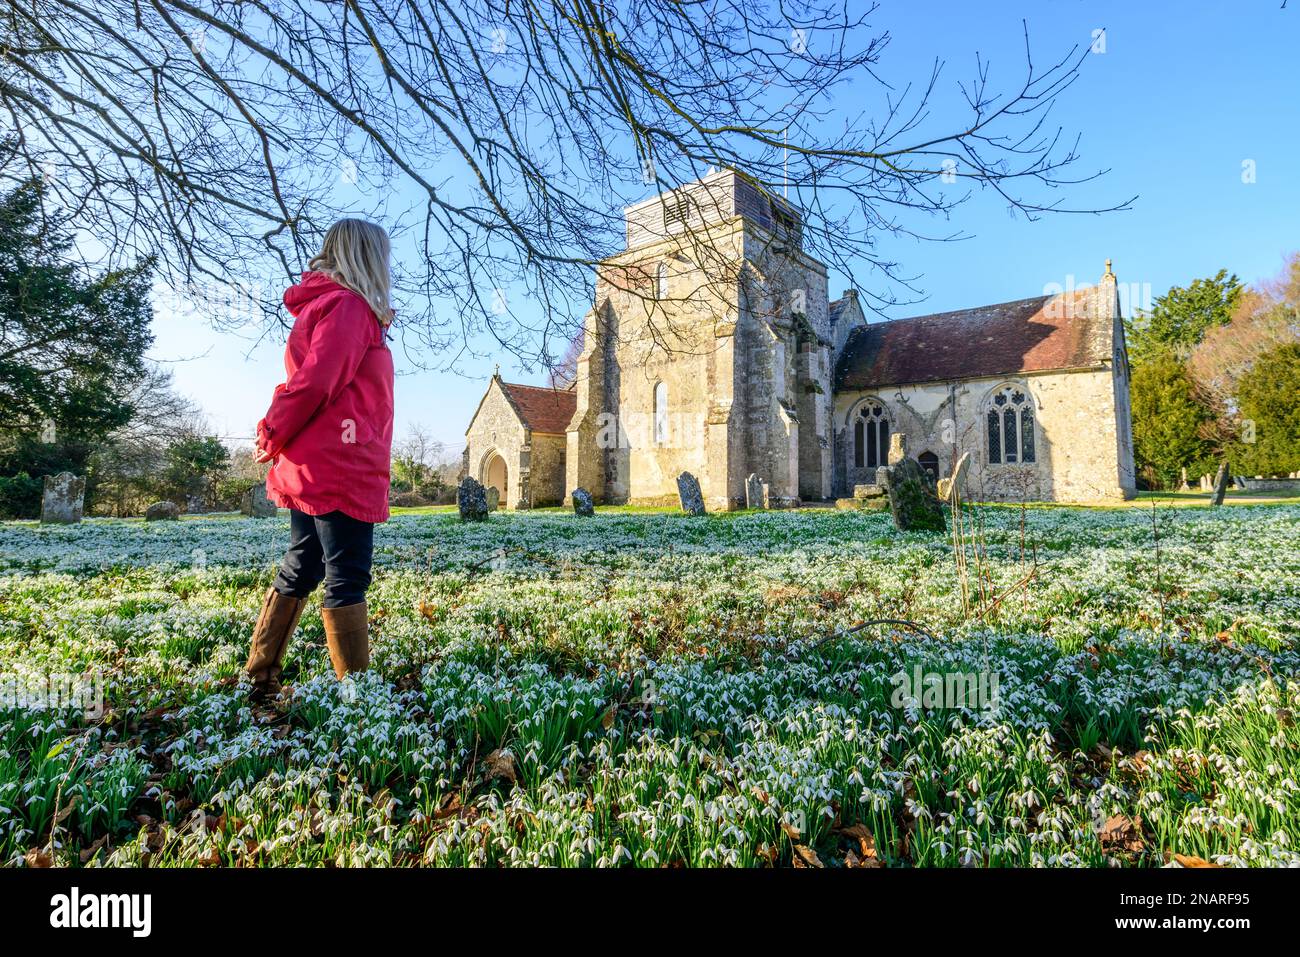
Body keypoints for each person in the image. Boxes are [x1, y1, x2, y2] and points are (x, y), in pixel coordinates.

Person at [244, 219, 396, 702]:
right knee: (347, 574)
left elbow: (312, 380)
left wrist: (276, 433)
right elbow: (317, 382)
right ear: (368, 257)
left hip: (316, 461)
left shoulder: (331, 306)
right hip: (339, 467)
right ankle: (358, 699)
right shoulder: (349, 308)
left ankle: (261, 677)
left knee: (304, 562)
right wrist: (271, 431)